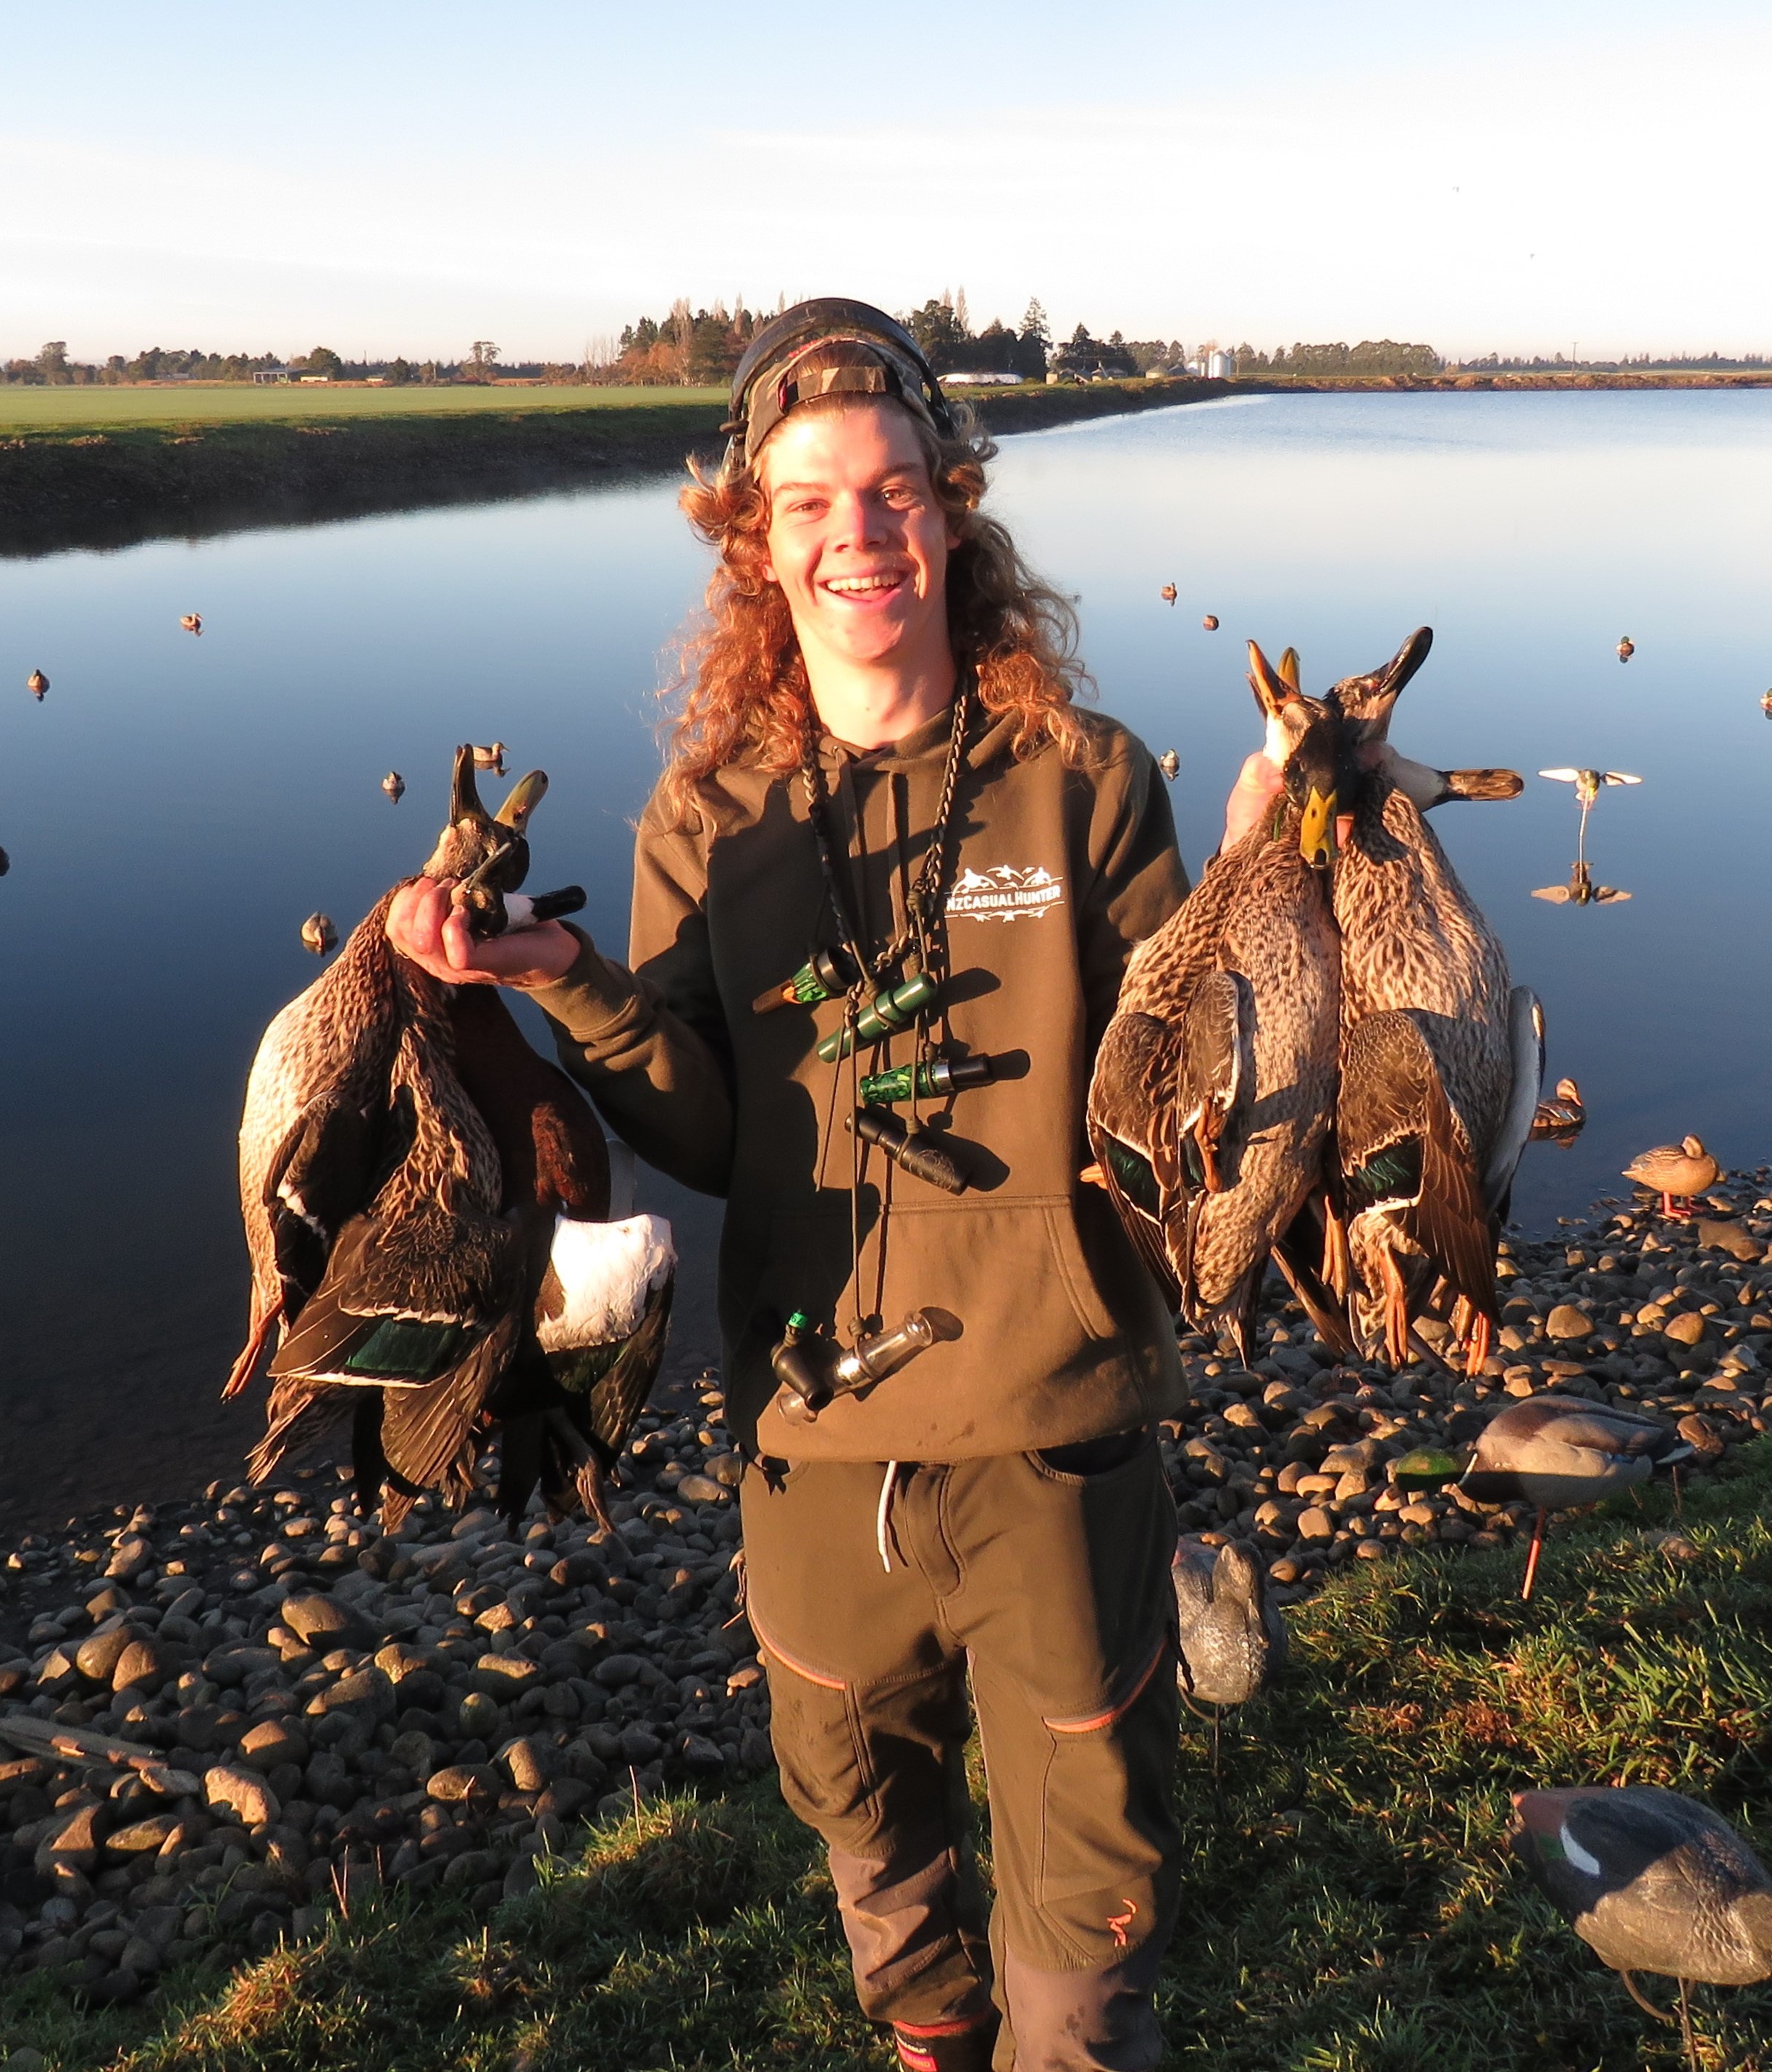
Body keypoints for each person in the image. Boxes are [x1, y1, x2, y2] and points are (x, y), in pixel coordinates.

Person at [387, 298, 1198, 2072]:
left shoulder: (1088, 783)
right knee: (867, 1832)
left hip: (1056, 1437)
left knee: (1088, 1897)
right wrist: (549, 976)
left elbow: (1183, 1085)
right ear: (756, 537)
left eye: (898, 490)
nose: (862, 533)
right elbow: (701, 1127)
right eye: (815, 501)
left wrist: (1279, 884)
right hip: (815, 1446)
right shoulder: (709, 814)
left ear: (955, 511)